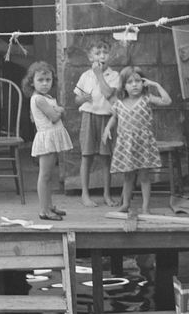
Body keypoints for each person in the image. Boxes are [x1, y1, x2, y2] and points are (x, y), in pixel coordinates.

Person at [102, 66, 172, 215]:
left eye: (138, 81)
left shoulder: (146, 98)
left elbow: (167, 101)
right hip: (126, 144)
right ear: (124, 86)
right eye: (130, 82)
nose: (134, 85)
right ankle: (125, 204)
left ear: (143, 83)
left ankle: (146, 207)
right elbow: (114, 117)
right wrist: (107, 128)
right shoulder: (119, 102)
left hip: (143, 143)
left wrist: (156, 85)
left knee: (144, 176)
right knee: (128, 177)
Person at [22, 61, 73, 221]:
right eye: (40, 80)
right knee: (44, 176)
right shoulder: (39, 99)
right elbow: (54, 117)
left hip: (52, 136)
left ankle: (49, 205)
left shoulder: (48, 97)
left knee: (50, 175)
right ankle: (44, 210)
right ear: (32, 82)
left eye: (48, 80)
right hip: (47, 139)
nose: (45, 84)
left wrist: (59, 111)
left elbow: (57, 115)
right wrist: (61, 110)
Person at [73, 37, 121, 207]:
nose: (102, 56)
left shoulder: (114, 75)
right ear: (90, 57)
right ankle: (85, 194)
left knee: (106, 157)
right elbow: (77, 100)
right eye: (97, 53)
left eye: (105, 52)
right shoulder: (85, 76)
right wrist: (83, 98)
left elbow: (109, 94)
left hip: (106, 118)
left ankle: (107, 194)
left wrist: (99, 75)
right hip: (89, 116)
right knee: (87, 156)